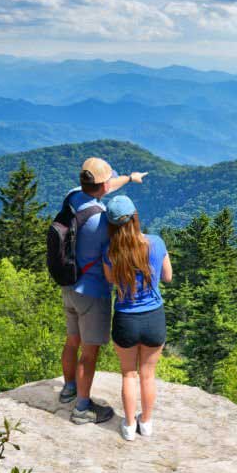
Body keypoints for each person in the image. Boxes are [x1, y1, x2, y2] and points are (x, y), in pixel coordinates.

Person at [59, 157, 147, 424]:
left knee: (72, 341)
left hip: (70, 284)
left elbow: (107, 188)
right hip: (93, 292)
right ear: (103, 184)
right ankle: (82, 409)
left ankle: (69, 388)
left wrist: (130, 178)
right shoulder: (102, 222)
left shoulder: (73, 197)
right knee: (89, 352)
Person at [101, 195, 172, 441]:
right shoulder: (156, 242)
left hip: (125, 319)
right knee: (148, 375)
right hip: (154, 317)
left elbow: (110, 280)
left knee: (128, 374)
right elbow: (168, 276)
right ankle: (147, 422)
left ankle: (129, 426)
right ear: (135, 218)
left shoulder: (110, 251)